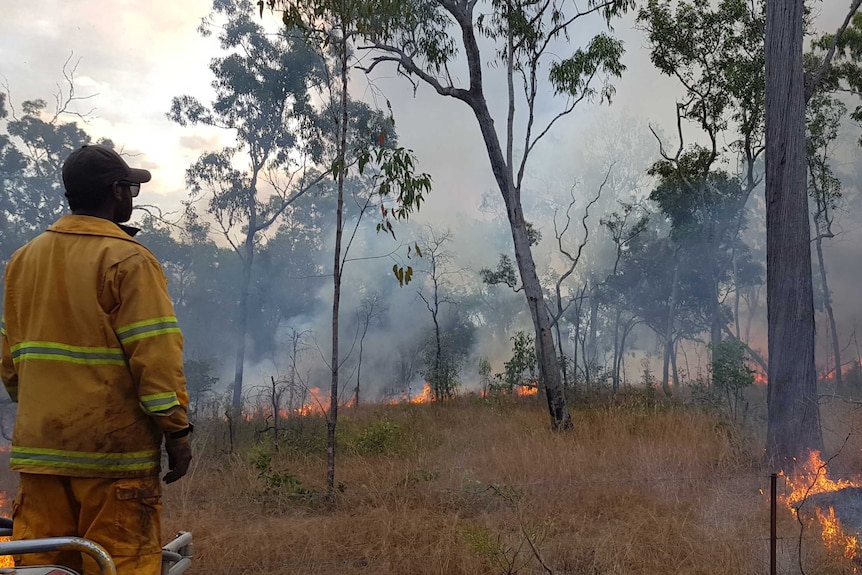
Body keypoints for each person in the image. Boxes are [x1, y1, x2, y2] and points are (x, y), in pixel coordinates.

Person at [0, 144, 193, 575]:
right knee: (117, 565)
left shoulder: (22, 261)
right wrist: (176, 433)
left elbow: (10, 361)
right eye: (131, 189)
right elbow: (155, 357)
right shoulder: (128, 259)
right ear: (116, 192)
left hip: (40, 457)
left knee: (42, 569)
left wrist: (47, 407)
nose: (132, 197)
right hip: (113, 461)